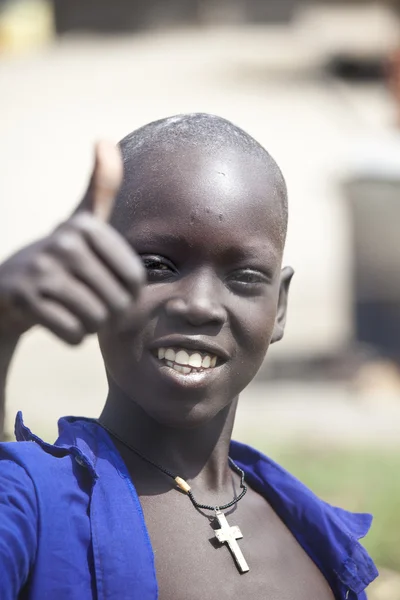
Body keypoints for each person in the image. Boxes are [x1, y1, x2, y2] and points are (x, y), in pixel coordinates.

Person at [0, 114, 378, 599]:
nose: (199, 305)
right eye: (156, 265)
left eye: (243, 276)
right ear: (93, 274)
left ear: (278, 307)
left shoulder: (315, 541)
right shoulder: (36, 507)